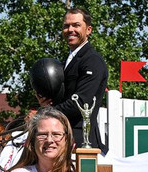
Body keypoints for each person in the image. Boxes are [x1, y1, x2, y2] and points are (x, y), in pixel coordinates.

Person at [36, 8, 108, 152]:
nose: (70, 29)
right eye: (66, 26)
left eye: (76, 25)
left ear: (88, 30)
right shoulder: (66, 61)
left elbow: (81, 103)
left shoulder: (92, 61)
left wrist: (45, 113)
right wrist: (46, 103)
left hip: (80, 143)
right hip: (59, 138)